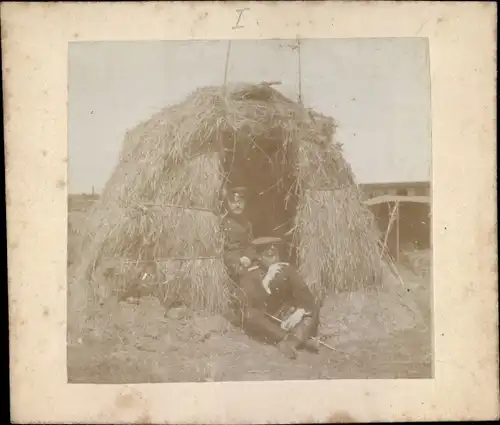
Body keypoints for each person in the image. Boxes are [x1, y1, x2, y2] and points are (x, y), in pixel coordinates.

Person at [235, 236, 320, 359]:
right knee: (250, 314)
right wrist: (267, 280)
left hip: (284, 316)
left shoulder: (286, 270)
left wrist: (299, 312)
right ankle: (294, 339)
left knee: (311, 306)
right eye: (269, 255)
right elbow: (250, 303)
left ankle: (292, 342)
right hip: (265, 320)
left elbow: (305, 295)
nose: (274, 259)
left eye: (275, 254)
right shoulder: (250, 274)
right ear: (259, 257)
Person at [221, 186, 257, 283]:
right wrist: (237, 259)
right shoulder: (220, 223)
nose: (237, 205)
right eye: (233, 202)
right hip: (228, 264)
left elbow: (250, 244)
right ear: (227, 203)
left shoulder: (247, 223)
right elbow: (218, 249)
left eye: (241, 201)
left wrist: (249, 257)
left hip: (246, 261)